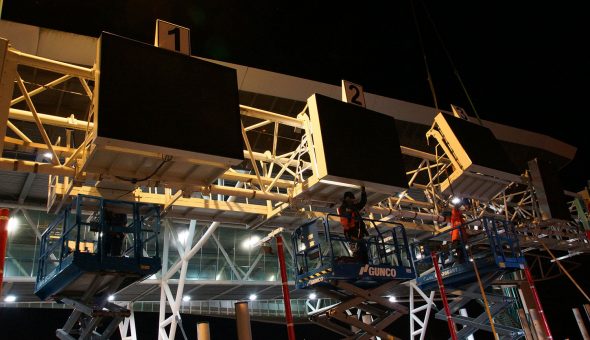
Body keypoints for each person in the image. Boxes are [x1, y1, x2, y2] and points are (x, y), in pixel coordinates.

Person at [338, 186, 369, 263]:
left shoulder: (353, 207)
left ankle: (364, 266)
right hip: (351, 234)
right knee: (359, 254)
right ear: (347, 198)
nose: (353, 201)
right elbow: (346, 221)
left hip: (358, 233)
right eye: (352, 199)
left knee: (363, 253)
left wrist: (363, 192)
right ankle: (347, 261)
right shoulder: (343, 208)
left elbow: (362, 203)